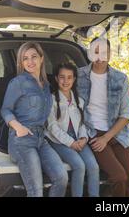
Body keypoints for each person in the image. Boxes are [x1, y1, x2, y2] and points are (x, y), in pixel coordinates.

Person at [0, 42, 68, 197]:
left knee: (61, 177)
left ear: (42, 58)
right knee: (36, 191)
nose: (30, 62)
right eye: (25, 58)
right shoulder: (18, 83)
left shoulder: (46, 85)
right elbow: (6, 109)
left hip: (40, 138)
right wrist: (19, 128)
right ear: (21, 63)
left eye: (34, 57)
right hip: (22, 141)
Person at [77, 37, 129, 197]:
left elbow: (126, 114)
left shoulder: (120, 78)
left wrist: (106, 137)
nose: (100, 58)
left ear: (110, 54)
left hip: (117, 134)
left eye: (104, 53)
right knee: (119, 177)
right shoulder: (79, 76)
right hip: (94, 133)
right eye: (96, 52)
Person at [45, 62, 100, 197]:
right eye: (62, 77)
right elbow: (52, 127)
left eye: (69, 77)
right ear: (57, 79)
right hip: (59, 140)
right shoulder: (51, 100)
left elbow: (82, 122)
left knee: (93, 167)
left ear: (74, 79)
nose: (66, 81)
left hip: (78, 138)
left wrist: (83, 138)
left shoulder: (78, 100)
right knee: (79, 166)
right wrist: (71, 143)